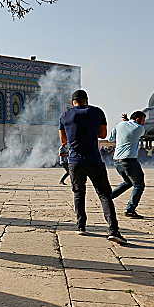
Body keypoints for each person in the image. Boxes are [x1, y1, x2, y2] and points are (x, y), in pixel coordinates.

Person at [59, 89, 126, 244]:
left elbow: (63, 140)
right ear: (86, 101)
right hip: (94, 160)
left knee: (79, 193)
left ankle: (81, 226)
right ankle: (113, 230)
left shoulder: (65, 115)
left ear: (73, 103)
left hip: (75, 161)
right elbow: (103, 135)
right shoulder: (97, 112)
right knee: (104, 195)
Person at [109, 111, 147, 219]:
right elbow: (134, 131)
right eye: (143, 121)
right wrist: (128, 122)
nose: (143, 123)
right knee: (139, 185)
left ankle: (108, 198)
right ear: (138, 119)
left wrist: (125, 122)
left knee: (128, 182)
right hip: (129, 161)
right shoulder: (140, 128)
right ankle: (130, 210)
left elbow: (111, 139)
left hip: (117, 161)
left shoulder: (118, 125)